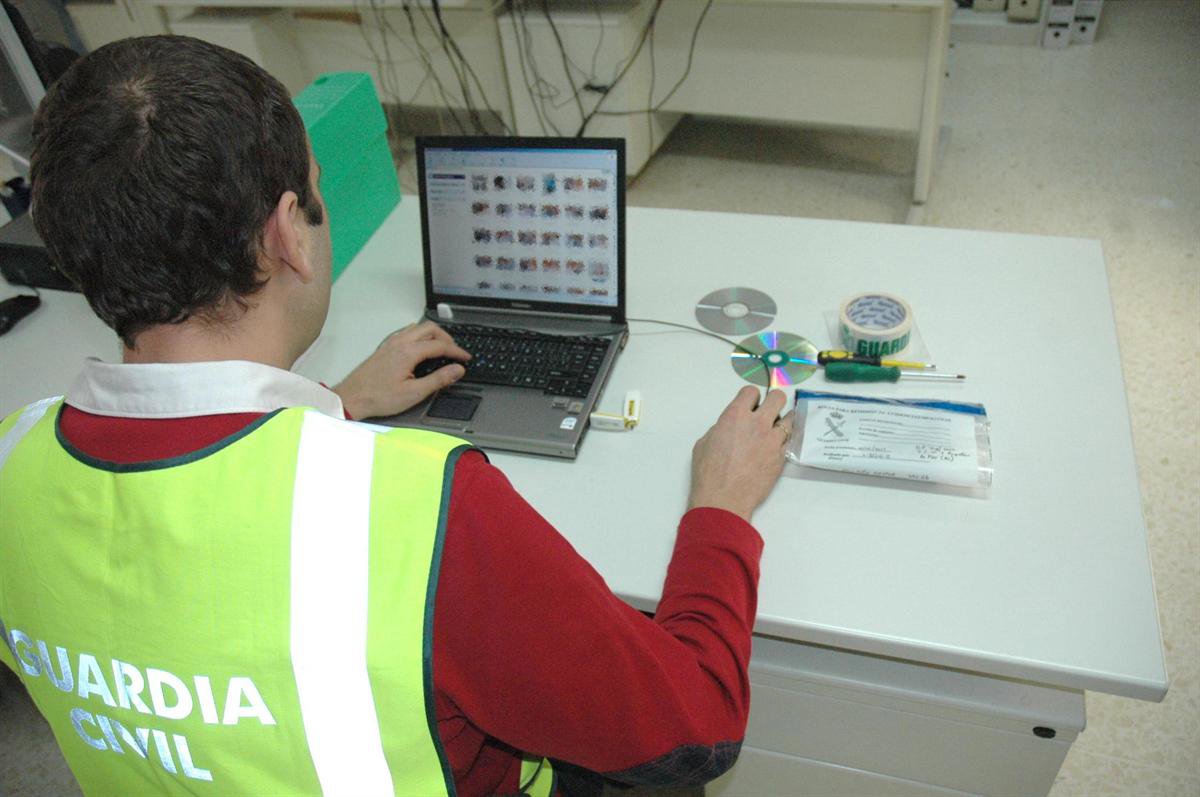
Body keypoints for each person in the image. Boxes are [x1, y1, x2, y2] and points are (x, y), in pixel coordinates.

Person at [0, 35, 791, 797]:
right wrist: (719, 509)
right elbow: (695, 726)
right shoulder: (421, 506)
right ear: (288, 233)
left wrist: (337, 406)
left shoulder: (12, 461)